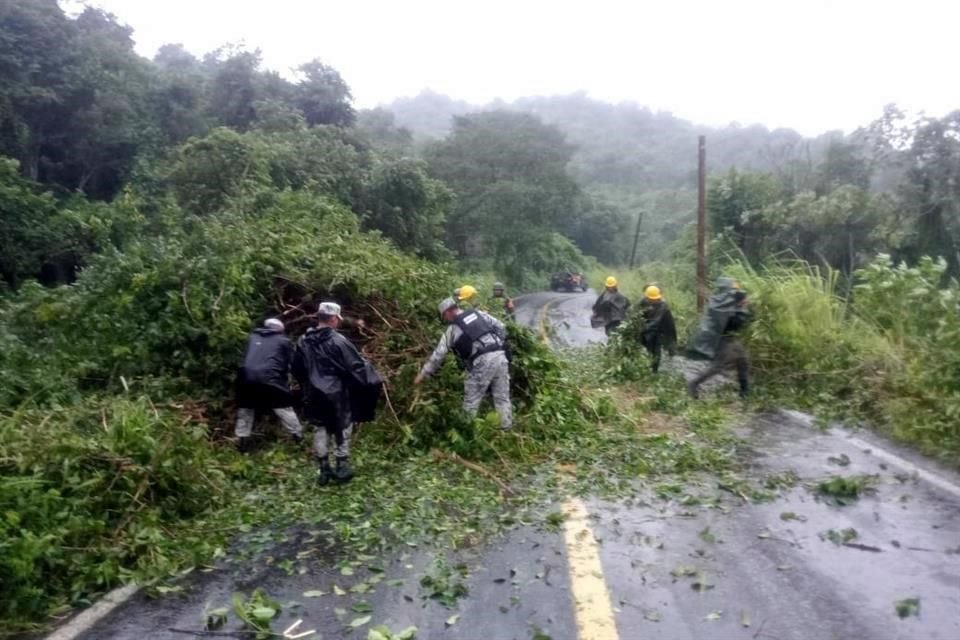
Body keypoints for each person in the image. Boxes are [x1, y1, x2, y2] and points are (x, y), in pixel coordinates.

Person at [293, 302, 371, 485]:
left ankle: (324, 468)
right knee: (343, 426)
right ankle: (341, 466)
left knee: (320, 428)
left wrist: (307, 384)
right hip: (337, 394)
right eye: (338, 319)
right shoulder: (339, 341)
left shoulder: (302, 340)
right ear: (334, 319)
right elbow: (356, 366)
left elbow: (296, 368)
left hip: (313, 394)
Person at [414, 297, 513, 431]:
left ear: (447, 312)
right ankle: (506, 430)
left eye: (444, 316)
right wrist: (496, 343)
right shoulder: (479, 313)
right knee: (502, 397)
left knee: (471, 401)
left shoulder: (453, 329)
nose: (446, 319)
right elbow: (501, 326)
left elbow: (439, 354)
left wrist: (424, 373)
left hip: (482, 361)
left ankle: (466, 432)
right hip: (501, 356)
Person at [234, 318, 304, 452]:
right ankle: (298, 438)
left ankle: (242, 443)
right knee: (284, 408)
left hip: (245, 379)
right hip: (271, 379)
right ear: (279, 330)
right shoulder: (283, 341)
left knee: (246, 410)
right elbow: (293, 364)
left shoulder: (252, 337)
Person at [687, 278, 752, 399]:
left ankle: (744, 394)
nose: (735, 293)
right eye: (733, 290)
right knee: (717, 367)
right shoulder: (723, 306)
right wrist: (742, 308)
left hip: (732, 339)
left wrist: (741, 306)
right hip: (724, 340)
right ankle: (694, 384)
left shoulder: (721, 303)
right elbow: (735, 323)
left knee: (743, 362)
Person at [638, 285, 677, 373]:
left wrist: (642, 328)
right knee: (648, 347)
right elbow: (637, 312)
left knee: (656, 350)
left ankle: (655, 371)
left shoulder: (663, 305)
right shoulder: (643, 301)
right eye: (651, 299)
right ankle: (649, 366)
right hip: (650, 328)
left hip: (663, 329)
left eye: (655, 299)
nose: (654, 300)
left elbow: (655, 321)